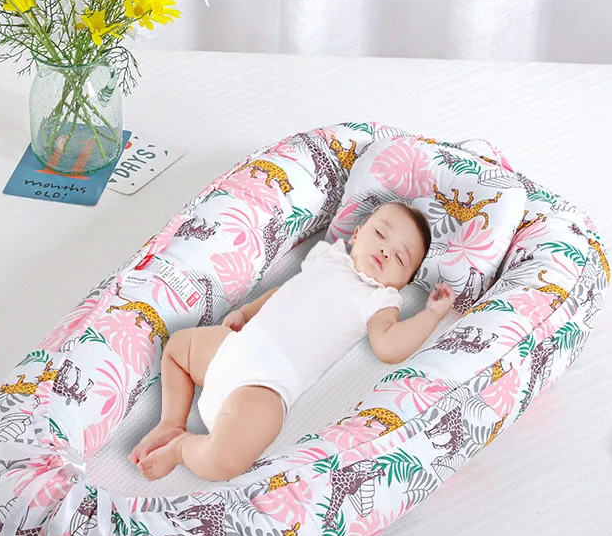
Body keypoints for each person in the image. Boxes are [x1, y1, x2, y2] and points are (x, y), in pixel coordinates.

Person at [130, 201, 455, 482]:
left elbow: (388, 347)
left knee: (224, 462)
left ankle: (182, 449)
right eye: (381, 234)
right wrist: (246, 312)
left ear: (401, 284)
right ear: (357, 235)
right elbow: (283, 291)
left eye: (400, 258)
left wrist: (431, 315)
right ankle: (171, 423)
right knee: (177, 348)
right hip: (235, 344)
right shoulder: (329, 258)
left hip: (265, 386)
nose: (386, 250)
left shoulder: (379, 300)